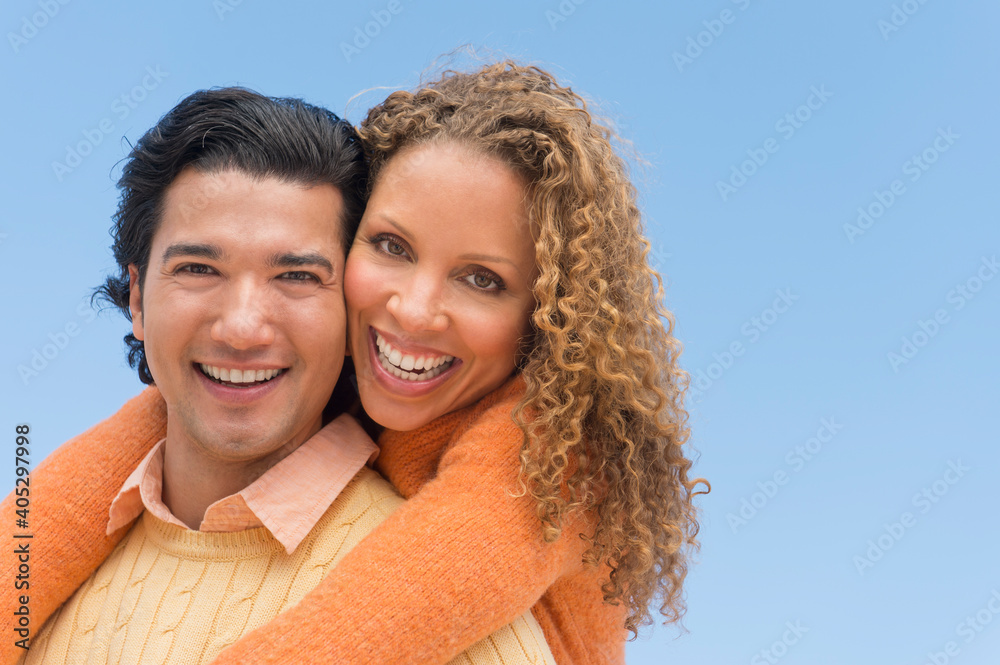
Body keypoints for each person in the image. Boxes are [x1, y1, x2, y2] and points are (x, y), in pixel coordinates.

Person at [2, 62, 706, 665]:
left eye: (483, 279)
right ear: (136, 296)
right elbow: (67, 503)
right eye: (394, 247)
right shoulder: (289, 404)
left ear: (544, 318)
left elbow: (353, 631)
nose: (413, 310)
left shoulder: (542, 461)